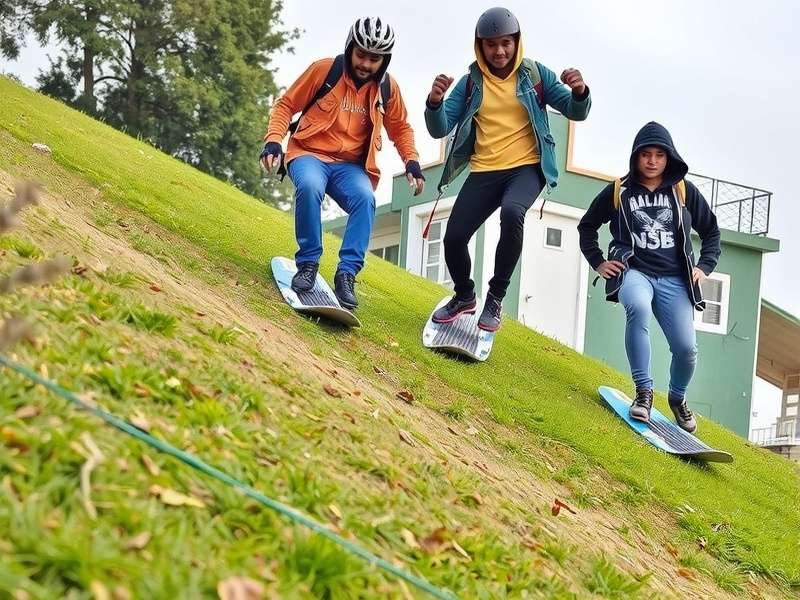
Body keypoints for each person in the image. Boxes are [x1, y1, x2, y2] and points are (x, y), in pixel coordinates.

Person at [424, 6, 591, 331]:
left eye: (506, 43)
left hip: (527, 168)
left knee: (513, 212)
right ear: (480, 46)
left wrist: (580, 92)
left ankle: (495, 298)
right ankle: (464, 296)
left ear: (516, 42)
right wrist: (434, 102)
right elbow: (440, 128)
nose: (499, 51)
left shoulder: (535, 75)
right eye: (491, 44)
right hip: (485, 171)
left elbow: (575, 111)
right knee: (454, 238)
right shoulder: (471, 83)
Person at [261, 17, 425, 310]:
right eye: (361, 55)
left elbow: (401, 128)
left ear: (384, 60)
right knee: (310, 186)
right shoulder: (325, 70)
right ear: (350, 48)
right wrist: (274, 139)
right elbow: (286, 104)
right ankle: (308, 264)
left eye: (374, 59)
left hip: (349, 167)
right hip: (309, 153)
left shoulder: (387, 89)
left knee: (365, 199)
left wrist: (411, 161)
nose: (365, 64)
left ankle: (346, 275)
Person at [577, 121, 721, 433]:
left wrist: (704, 266)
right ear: (636, 157)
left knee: (686, 349)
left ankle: (678, 398)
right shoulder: (619, 191)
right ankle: (644, 393)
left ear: (669, 157)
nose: (652, 161)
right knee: (638, 308)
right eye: (646, 154)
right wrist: (598, 262)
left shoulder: (683, 190)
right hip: (635, 272)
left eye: (659, 155)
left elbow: (711, 231)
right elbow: (587, 226)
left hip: (675, 279)